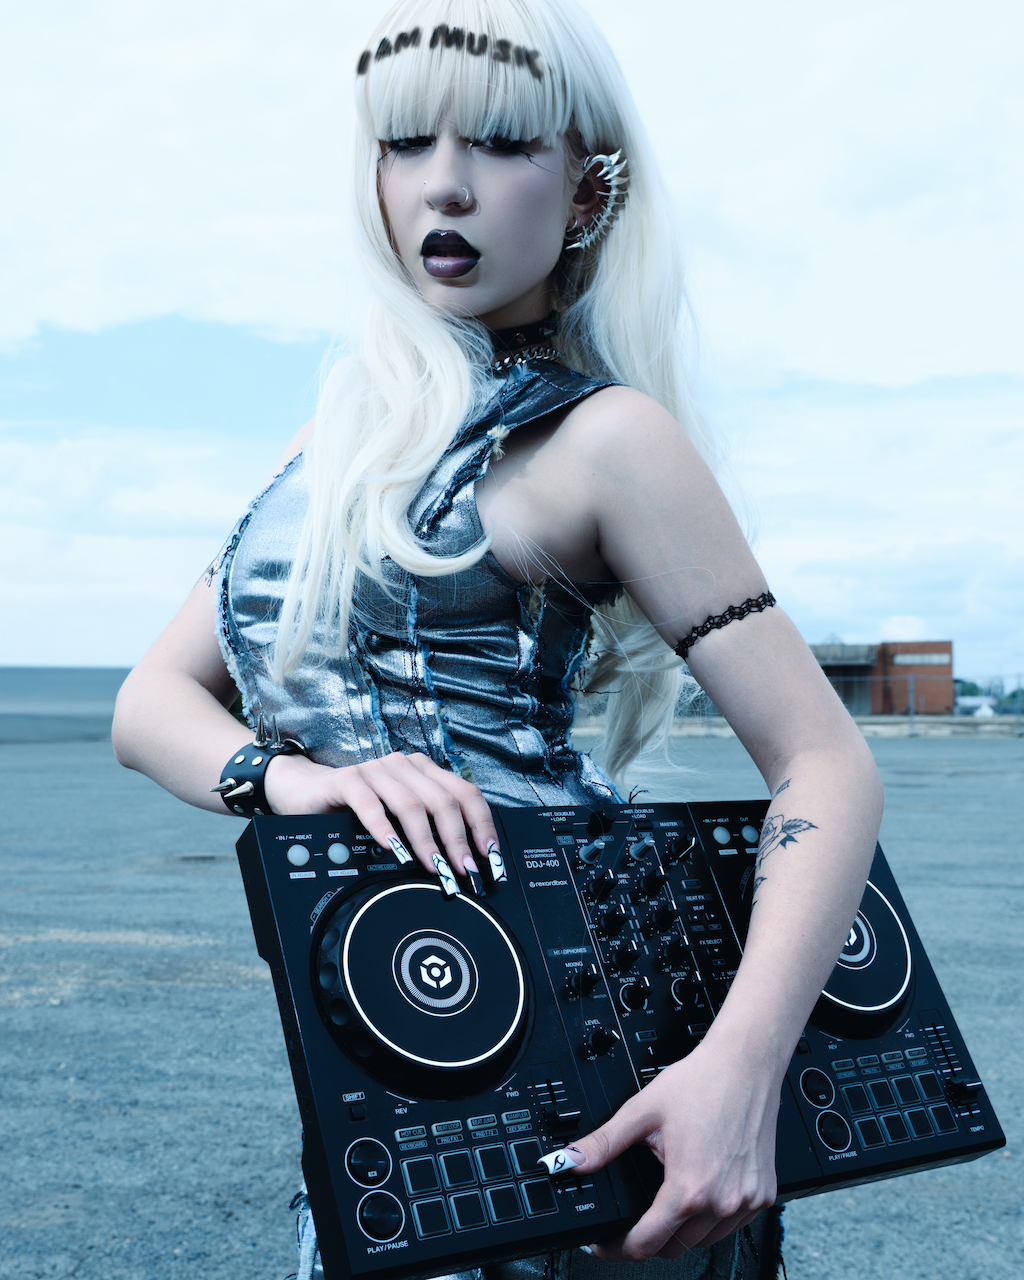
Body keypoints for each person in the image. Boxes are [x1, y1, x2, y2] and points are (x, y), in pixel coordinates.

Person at [112, 1, 883, 1277]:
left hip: (592, 1073)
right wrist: (302, 782)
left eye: (504, 144)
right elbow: (148, 705)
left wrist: (740, 1072)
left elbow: (827, 762)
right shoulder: (333, 443)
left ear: (587, 188)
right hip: (392, 1057)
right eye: (405, 142)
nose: (446, 185)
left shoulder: (609, 439)